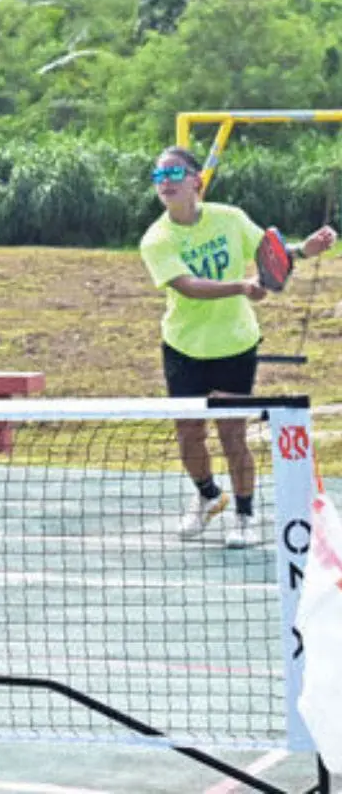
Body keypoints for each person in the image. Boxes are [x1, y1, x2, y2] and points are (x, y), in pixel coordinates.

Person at [140, 146, 335, 548]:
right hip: (184, 346)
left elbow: (269, 251)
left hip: (234, 345)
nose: (166, 183)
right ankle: (210, 496)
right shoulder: (156, 239)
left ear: (196, 179)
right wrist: (242, 287)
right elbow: (188, 287)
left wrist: (304, 250)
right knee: (188, 434)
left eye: (174, 173)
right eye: (159, 177)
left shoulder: (229, 218)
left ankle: (245, 515)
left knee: (232, 434)